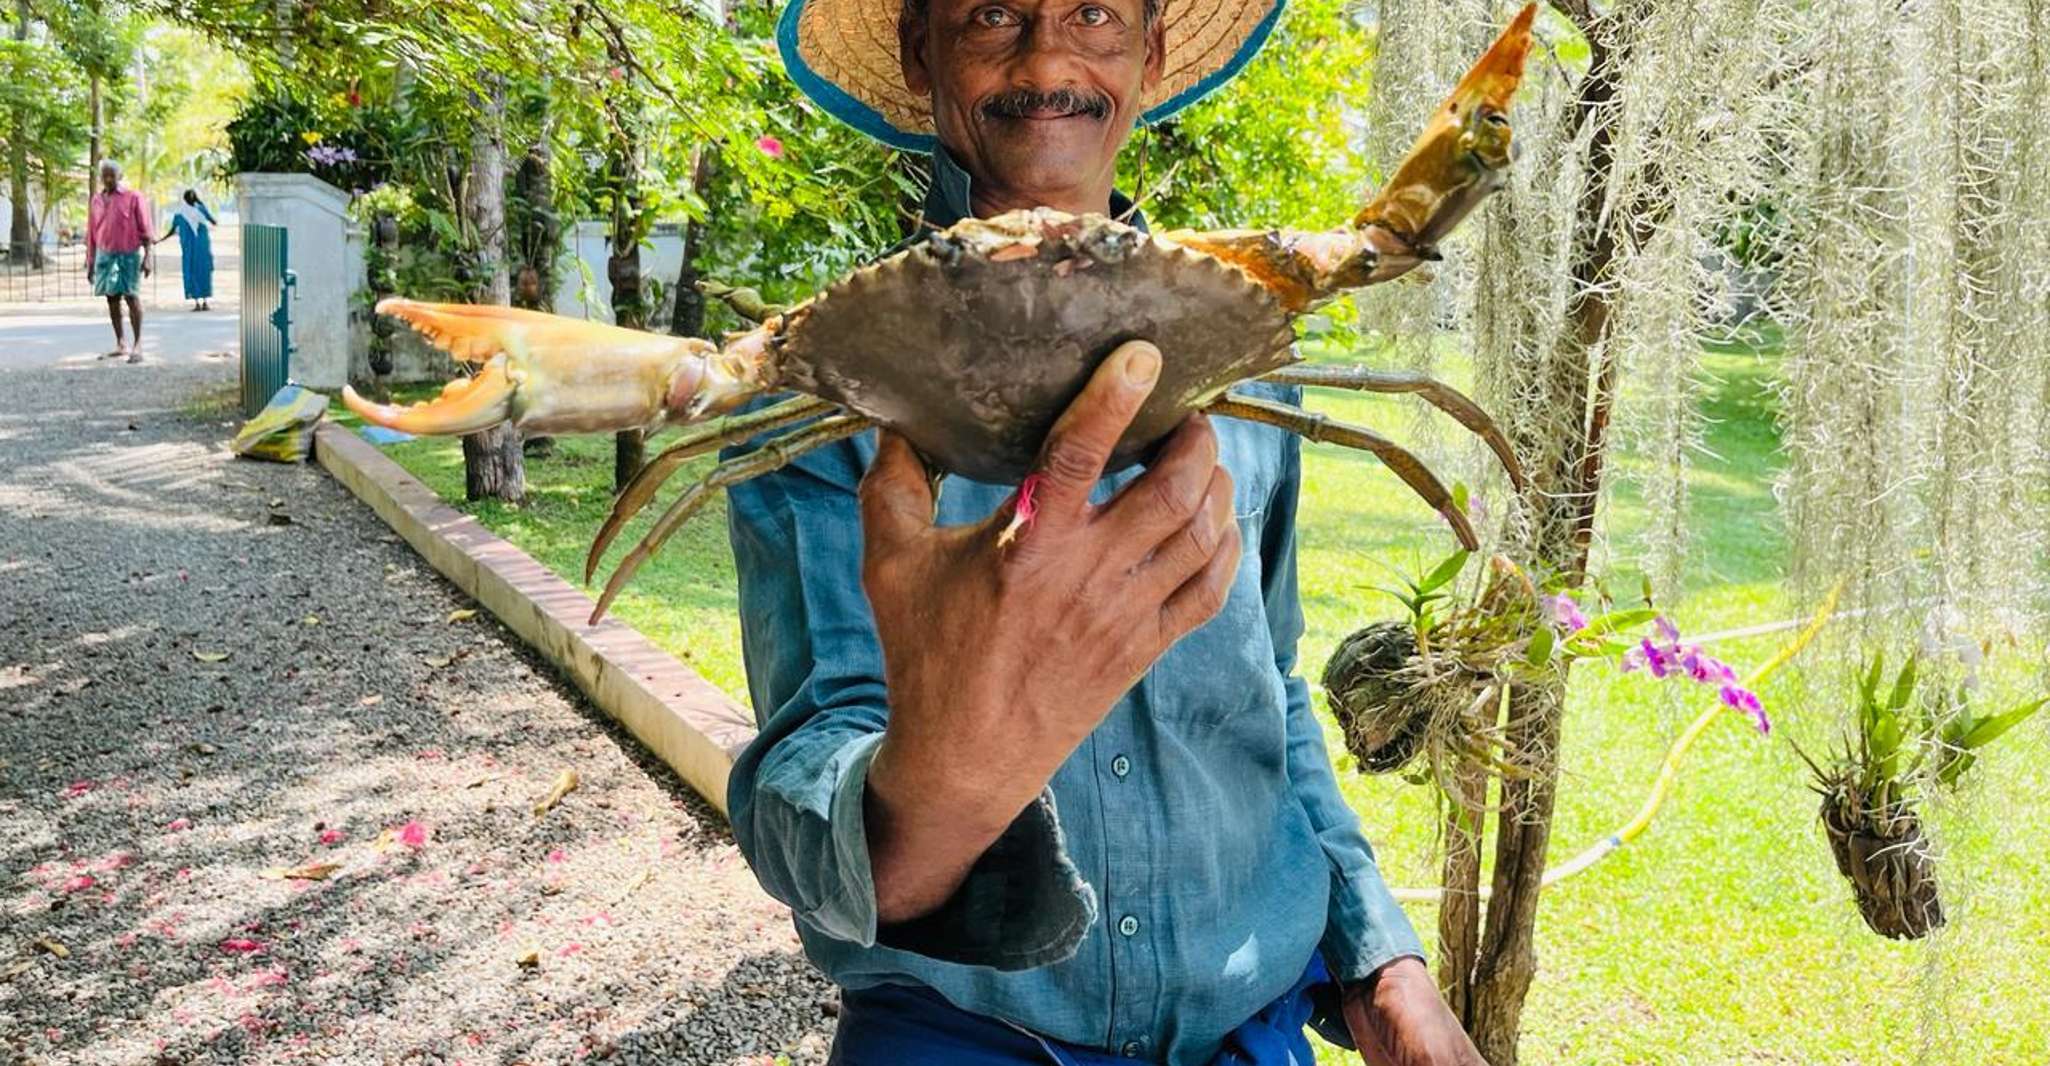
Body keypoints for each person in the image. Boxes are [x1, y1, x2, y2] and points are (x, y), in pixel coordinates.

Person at [724, 0, 1486, 1063]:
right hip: (962, 1030)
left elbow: (1272, 694)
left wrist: (1378, 961)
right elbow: (803, 780)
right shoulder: (825, 391)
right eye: (994, 13)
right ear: (918, 51)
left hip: (1249, 1027)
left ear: (1151, 51)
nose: (1047, 58)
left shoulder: (1242, 360)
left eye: (1093, 12)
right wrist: (947, 778)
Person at [85, 160, 154, 362]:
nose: (107, 179)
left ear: (120, 176)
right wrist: (90, 262)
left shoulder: (133, 197)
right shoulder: (96, 200)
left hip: (128, 254)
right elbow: (92, 233)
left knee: (131, 297)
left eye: (111, 175)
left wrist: (148, 257)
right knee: (112, 298)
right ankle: (121, 343)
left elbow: (146, 230)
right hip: (105, 256)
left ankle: (138, 344)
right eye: (104, 175)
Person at [160, 188, 218, 312]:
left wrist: (160, 240)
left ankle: (198, 302)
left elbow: (172, 230)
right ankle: (204, 302)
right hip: (201, 247)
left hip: (190, 248)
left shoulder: (180, 213)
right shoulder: (200, 209)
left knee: (192, 272)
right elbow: (213, 221)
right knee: (203, 271)